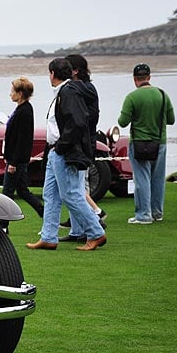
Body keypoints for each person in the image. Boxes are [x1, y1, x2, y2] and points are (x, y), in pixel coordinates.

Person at [27, 58, 106, 251]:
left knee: (71, 194)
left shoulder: (68, 93)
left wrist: (61, 146)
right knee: (50, 194)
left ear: (52, 73)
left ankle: (96, 233)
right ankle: (48, 237)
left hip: (63, 151)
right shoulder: (64, 92)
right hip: (55, 151)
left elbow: (78, 122)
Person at [117, 63, 175, 224]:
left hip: (139, 143)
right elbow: (171, 120)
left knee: (141, 179)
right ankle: (157, 212)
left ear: (135, 79)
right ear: (149, 77)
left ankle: (143, 215)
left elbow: (122, 122)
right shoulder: (163, 95)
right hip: (160, 142)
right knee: (157, 178)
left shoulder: (132, 97)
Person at [59, 54, 107, 242]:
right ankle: (78, 229)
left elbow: (79, 119)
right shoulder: (88, 88)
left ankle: (94, 221)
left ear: (75, 71)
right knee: (79, 186)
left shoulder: (76, 89)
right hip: (86, 141)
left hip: (81, 144)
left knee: (77, 188)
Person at [0, 77, 43, 234]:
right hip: (16, 159)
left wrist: (14, 162)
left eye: (12, 91)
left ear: (20, 93)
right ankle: (46, 216)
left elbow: (22, 139)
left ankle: (3, 225)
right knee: (23, 191)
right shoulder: (21, 109)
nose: (10, 94)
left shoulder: (25, 111)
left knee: (7, 191)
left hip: (16, 160)